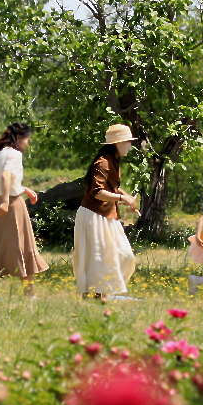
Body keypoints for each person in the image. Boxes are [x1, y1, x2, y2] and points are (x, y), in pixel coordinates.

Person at [0, 123, 48, 294]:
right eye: (27, 139)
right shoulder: (14, 155)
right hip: (12, 205)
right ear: (19, 139)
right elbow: (6, 176)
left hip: (1, 203)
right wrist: (7, 200)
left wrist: (24, 189)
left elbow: (6, 180)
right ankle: (29, 293)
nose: (28, 143)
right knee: (23, 246)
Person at [72, 123, 140, 299]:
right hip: (92, 215)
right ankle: (95, 297)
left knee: (125, 256)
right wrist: (122, 199)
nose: (130, 146)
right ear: (117, 143)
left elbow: (112, 188)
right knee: (96, 258)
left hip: (107, 216)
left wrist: (127, 197)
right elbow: (97, 193)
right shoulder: (102, 163)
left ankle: (104, 293)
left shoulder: (113, 161)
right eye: (127, 142)